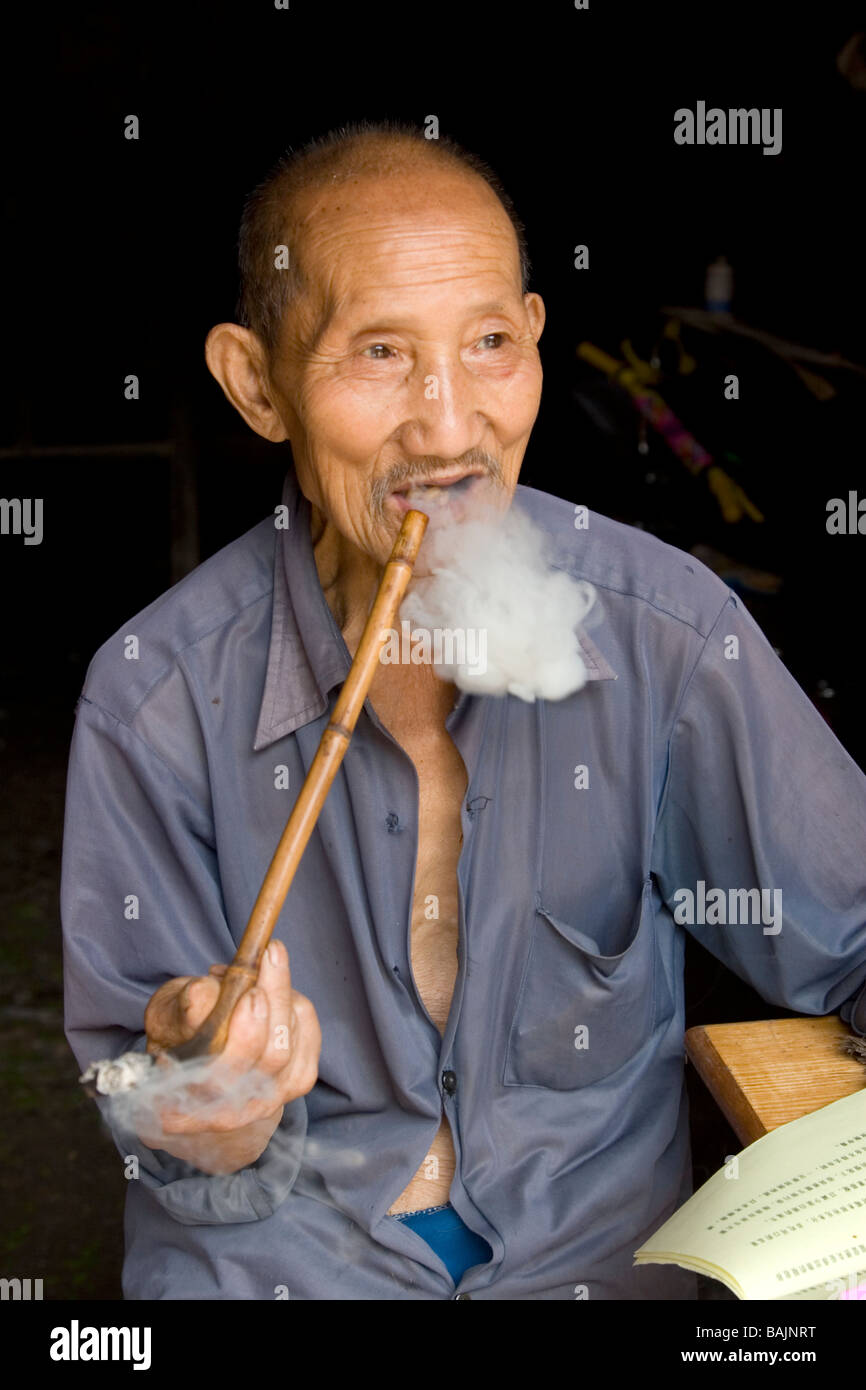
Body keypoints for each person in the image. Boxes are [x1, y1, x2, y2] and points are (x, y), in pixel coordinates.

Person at [60, 121, 866, 1300]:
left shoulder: (663, 635)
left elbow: (845, 933)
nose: (448, 427)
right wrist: (203, 1104)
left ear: (534, 340)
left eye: (487, 343)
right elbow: (167, 1135)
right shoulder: (155, 693)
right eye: (378, 353)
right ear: (255, 383)